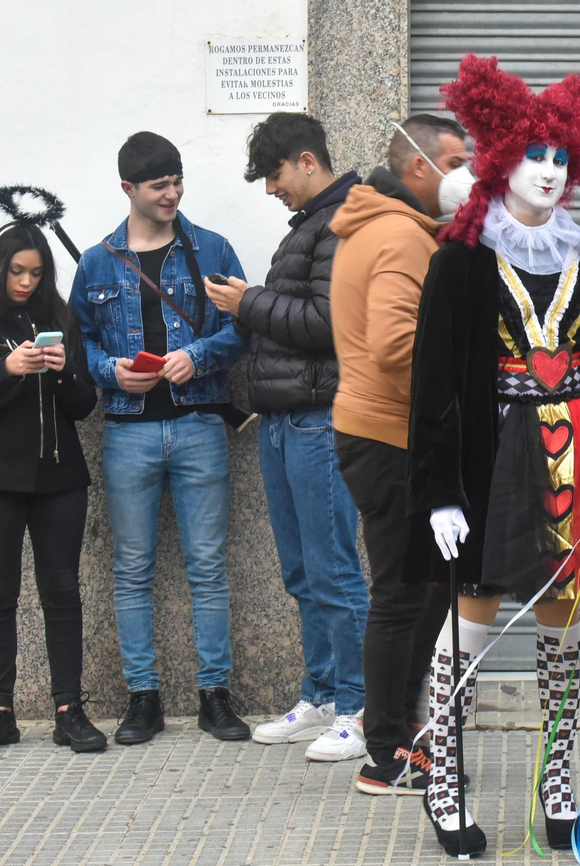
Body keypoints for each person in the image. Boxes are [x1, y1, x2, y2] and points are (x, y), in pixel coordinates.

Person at [405, 55, 580, 857]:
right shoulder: (462, 259)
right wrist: (437, 490)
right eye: (534, 156)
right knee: (469, 623)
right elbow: (432, 384)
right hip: (489, 466)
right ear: (501, 162)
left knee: (561, 628)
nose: (547, 171)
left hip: (573, 463)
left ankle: (557, 780)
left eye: (560, 157)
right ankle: (441, 784)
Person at [69, 131, 251, 744]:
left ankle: (214, 696)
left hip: (200, 423)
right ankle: (141, 698)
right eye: (158, 186)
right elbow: (82, 343)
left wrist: (197, 357)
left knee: (206, 565)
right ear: (129, 189)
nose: (172, 194)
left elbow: (243, 327)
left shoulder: (213, 248)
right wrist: (109, 372)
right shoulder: (97, 262)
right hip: (128, 432)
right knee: (133, 568)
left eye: (177, 182)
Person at [203, 113, 372, 762]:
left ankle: (358, 709)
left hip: (319, 421)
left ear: (307, 161)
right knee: (303, 572)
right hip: (282, 420)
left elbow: (331, 323)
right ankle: (323, 694)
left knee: (333, 570)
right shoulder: (308, 226)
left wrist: (247, 302)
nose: (271, 189)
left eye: (274, 175)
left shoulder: (342, 222)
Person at [329, 113, 472, 795]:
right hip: (389, 438)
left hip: (382, 433)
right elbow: (393, 344)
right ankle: (384, 752)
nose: (468, 172)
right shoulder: (399, 237)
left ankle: (401, 737)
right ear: (419, 166)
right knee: (403, 596)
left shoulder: (387, 229)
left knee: (423, 592)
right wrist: (467, 375)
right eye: (456, 158)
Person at [0, 221, 106, 755]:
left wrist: (57, 372)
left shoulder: (61, 320)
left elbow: (83, 406)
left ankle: (68, 710)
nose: (26, 282)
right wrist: (5, 369)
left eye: (36, 272)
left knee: (61, 590)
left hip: (57, 477)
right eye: (17, 271)